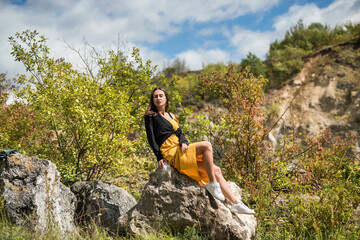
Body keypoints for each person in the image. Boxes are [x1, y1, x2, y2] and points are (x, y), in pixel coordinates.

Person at [144, 87, 255, 214]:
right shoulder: (151, 116)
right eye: (155, 96)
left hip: (180, 148)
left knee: (217, 170)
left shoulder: (171, 115)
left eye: (161, 95)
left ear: (166, 98)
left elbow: (180, 133)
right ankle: (213, 184)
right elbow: (151, 138)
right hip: (171, 151)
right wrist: (159, 157)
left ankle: (236, 203)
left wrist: (184, 142)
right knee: (206, 145)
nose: (158, 98)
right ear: (152, 100)